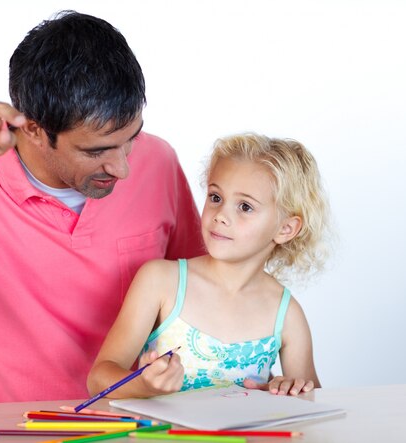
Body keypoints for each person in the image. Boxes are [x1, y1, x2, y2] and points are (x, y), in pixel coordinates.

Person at [0, 11, 205, 403]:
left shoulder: (158, 160)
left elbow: (207, 295)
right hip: (18, 430)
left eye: (132, 138)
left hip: (146, 425)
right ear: (35, 129)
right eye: (97, 151)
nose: (123, 167)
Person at [87, 132, 330, 399]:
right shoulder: (160, 281)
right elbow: (99, 377)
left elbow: (312, 400)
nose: (221, 215)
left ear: (286, 228)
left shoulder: (287, 313)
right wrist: (144, 385)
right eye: (216, 197)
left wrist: (288, 389)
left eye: (245, 207)